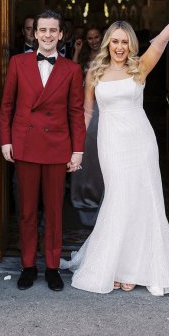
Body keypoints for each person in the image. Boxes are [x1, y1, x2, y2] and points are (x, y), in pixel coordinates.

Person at [61, 0, 169, 295]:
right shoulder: (94, 72)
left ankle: (135, 268)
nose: (119, 47)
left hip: (140, 141)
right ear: (107, 44)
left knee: (144, 199)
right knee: (119, 197)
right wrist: (77, 150)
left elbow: (164, 39)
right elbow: (87, 114)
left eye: (124, 42)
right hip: (110, 141)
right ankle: (115, 265)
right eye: (114, 41)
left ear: (131, 45)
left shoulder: (140, 67)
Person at [0, 10, 86, 292]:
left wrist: (78, 151)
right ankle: (27, 266)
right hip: (24, 145)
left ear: (61, 34)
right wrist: (6, 141)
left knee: (53, 212)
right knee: (26, 211)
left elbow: (76, 112)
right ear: (34, 33)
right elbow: (7, 106)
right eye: (43, 30)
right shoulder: (17, 62)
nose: (48, 35)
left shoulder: (72, 70)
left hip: (56, 148)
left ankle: (51, 267)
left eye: (53, 30)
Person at [71, 27, 104, 226]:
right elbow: (72, 73)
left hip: (102, 106)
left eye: (96, 37)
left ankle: (101, 197)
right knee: (84, 150)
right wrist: (76, 50)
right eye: (89, 38)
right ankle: (82, 198)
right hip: (83, 106)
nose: (93, 41)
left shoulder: (108, 56)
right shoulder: (83, 57)